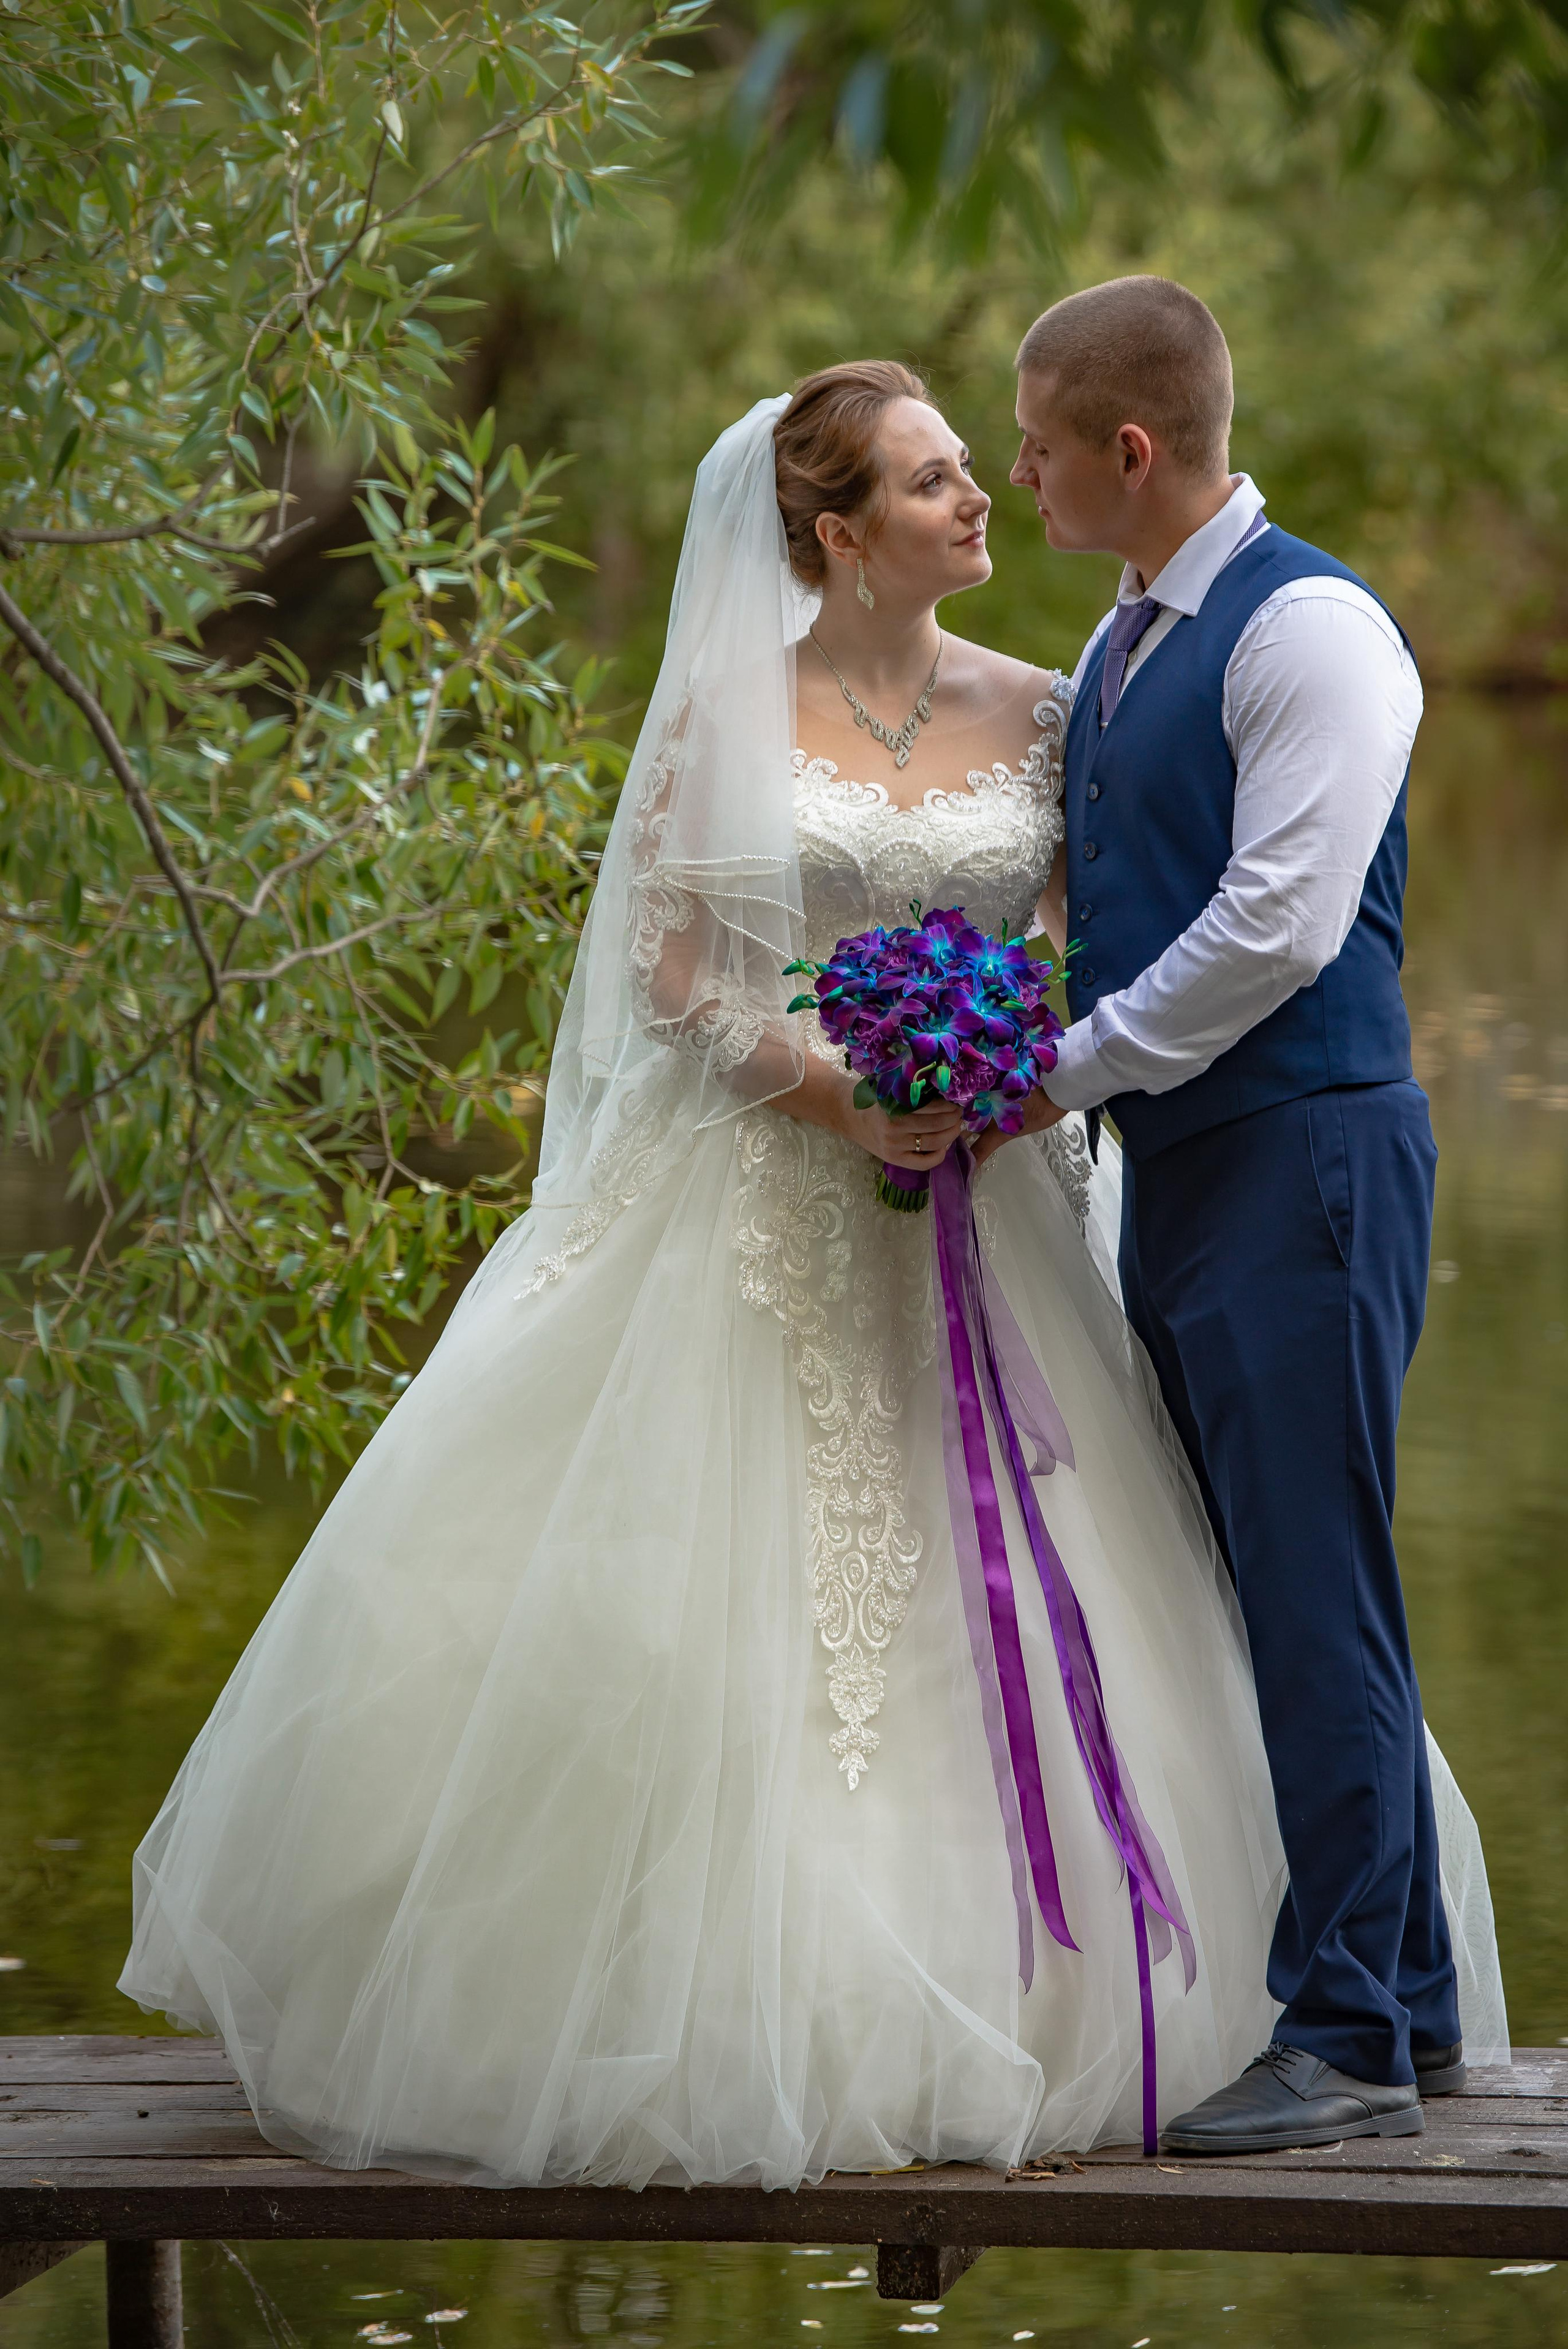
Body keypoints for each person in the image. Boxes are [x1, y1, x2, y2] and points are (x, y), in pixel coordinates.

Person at [119, 364, 1504, 2188]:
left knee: (1176, 1570)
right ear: (839, 532)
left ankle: (1303, 2001)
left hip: (1002, 1198)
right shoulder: (724, 720)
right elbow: (673, 974)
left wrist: (1009, 1068)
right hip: (767, 1204)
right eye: (940, 478)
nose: (983, 497)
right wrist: (836, 1085)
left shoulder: (1056, 704)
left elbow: (1130, 941)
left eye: (987, 462)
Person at [998, 276, 1494, 2154]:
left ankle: (1350, 2026)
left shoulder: (1318, 633)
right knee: (1283, 1580)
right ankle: (1416, 2005)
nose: (1021, 472)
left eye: (1037, 442)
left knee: (1312, 1585)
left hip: (1310, 1160)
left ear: (1132, 448)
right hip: (1194, 1168)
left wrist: (1059, 1070)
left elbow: (1282, 928)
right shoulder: (1127, 642)